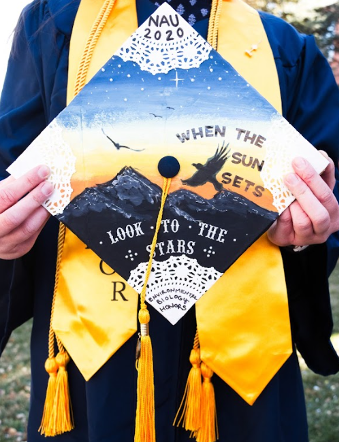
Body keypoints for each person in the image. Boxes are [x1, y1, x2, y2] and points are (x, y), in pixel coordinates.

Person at [0, 0, 339, 441]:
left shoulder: (281, 48)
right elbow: (12, 170)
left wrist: (307, 230)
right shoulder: (53, 27)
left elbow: (327, 197)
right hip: (97, 362)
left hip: (238, 369)